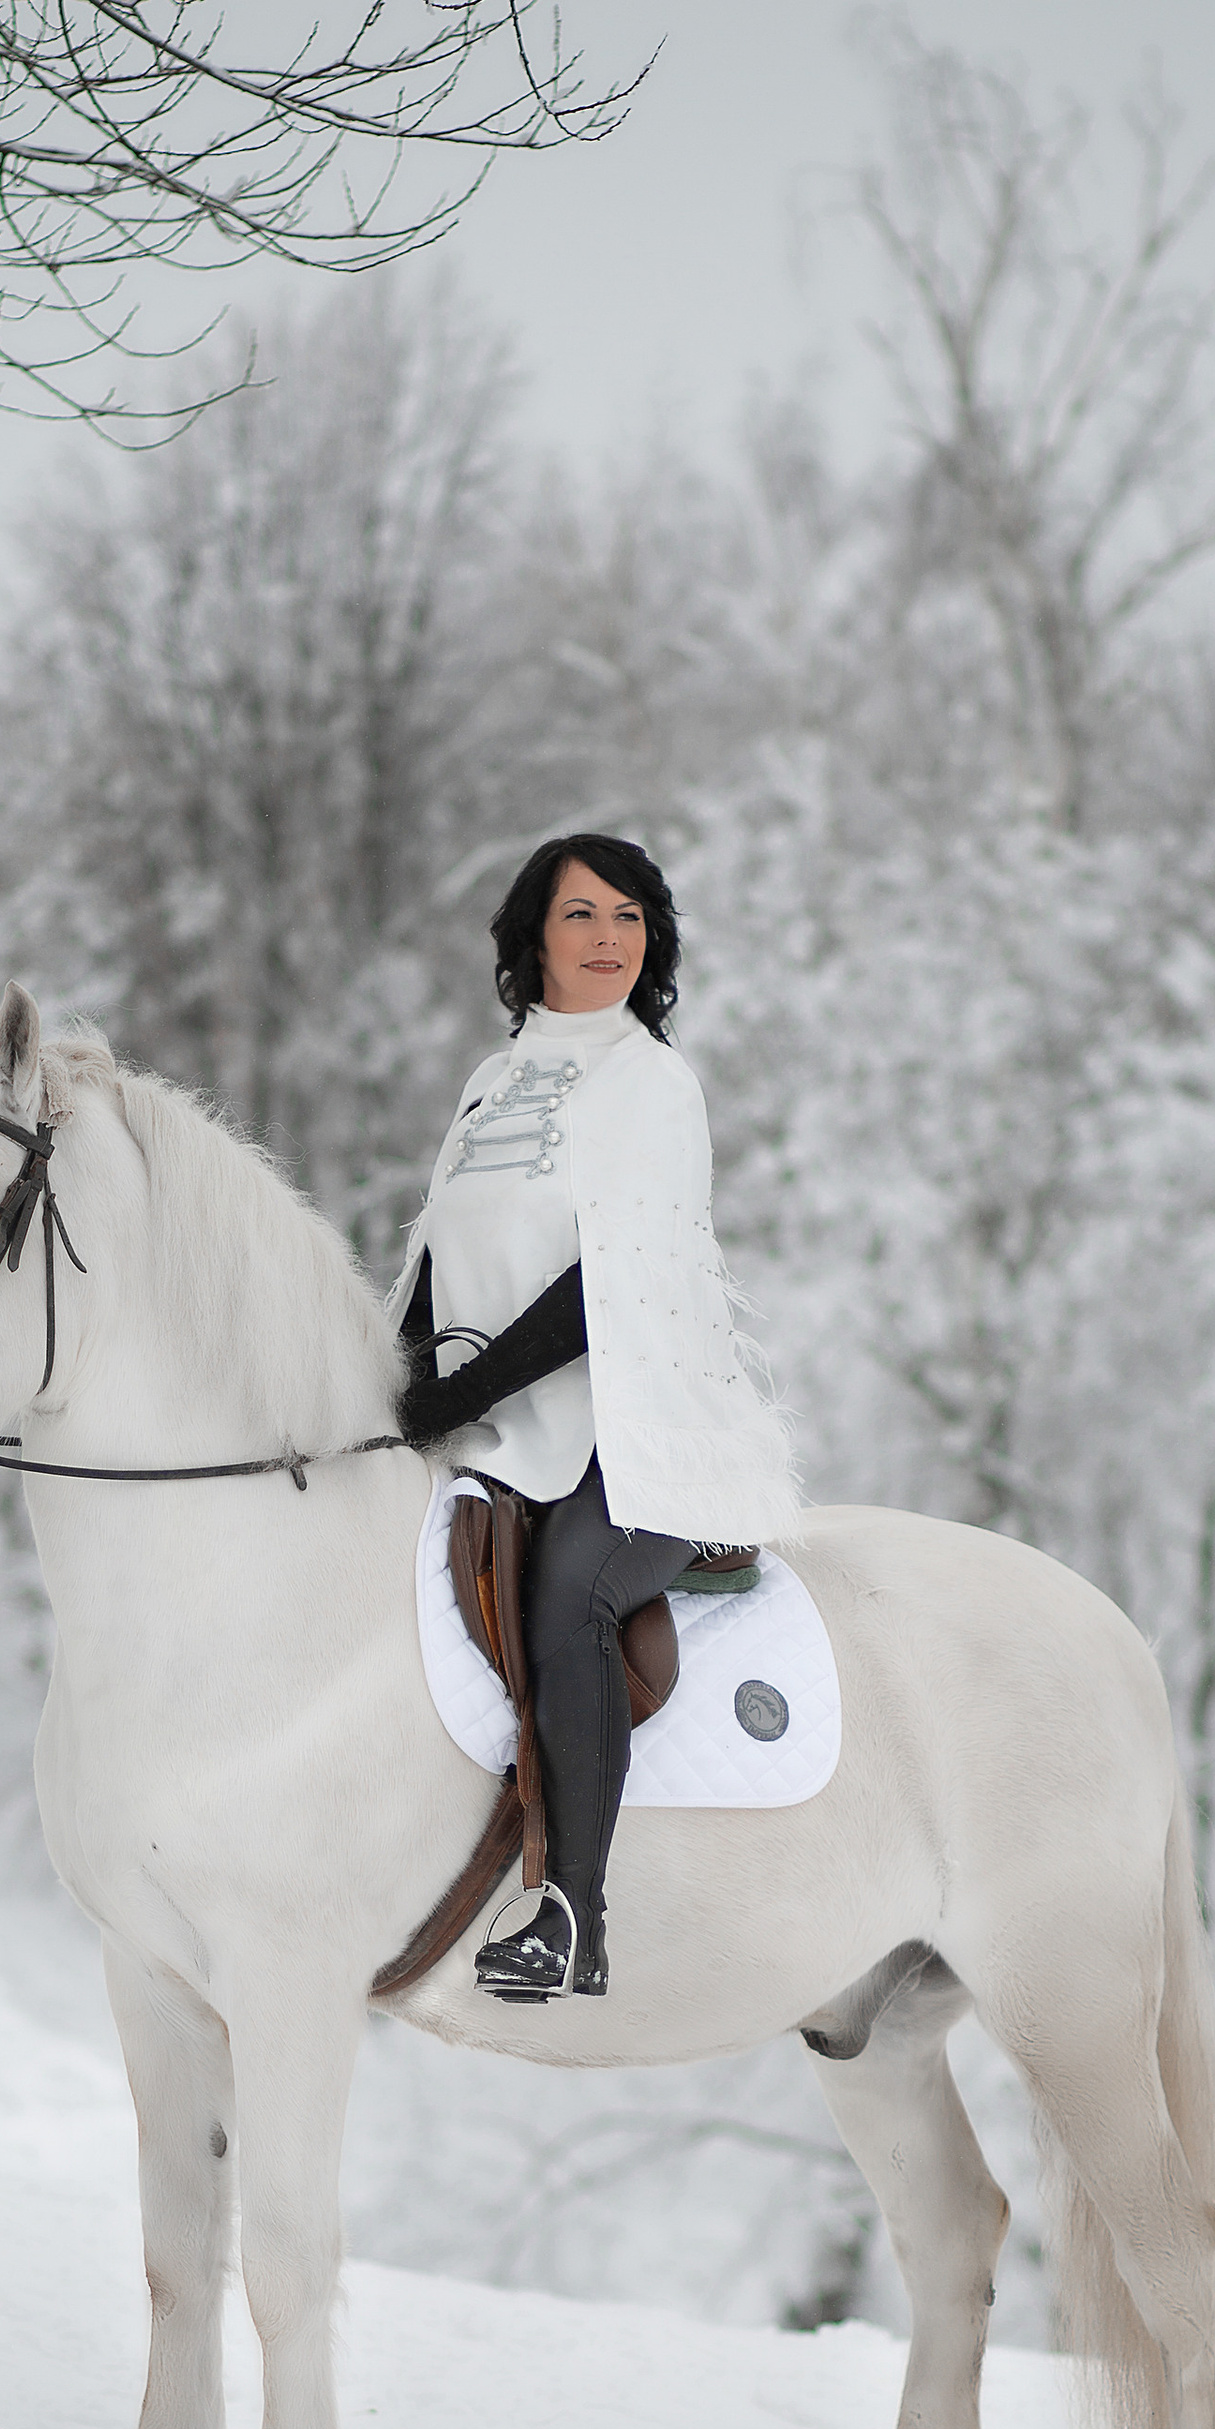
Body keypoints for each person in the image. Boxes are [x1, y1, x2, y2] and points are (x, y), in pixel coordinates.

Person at [393, 833, 801, 2002]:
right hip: (504, 1427)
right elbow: (436, 1252)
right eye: (581, 916)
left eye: (629, 917)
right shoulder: (493, 1079)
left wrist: (465, 1391)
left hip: (644, 1429)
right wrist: (403, 1381)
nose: (608, 939)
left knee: (569, 1595)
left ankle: (572, 1912)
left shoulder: (651, 1082)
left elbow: (613, 1281)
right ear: (534, 936)